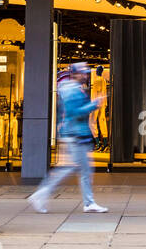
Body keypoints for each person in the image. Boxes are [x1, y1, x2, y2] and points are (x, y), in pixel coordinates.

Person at [28, 62, 108, 214]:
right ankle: (42, 194)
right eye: (83, 73)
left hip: (76, 135)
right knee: (74, 169)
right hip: (75, 136)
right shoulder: (72, 90)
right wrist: (94, 105)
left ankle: (87, 202)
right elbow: (74, 112)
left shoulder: (74, 89)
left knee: (80, 169)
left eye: (86, 73)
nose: (85, 76)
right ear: (75, 74)